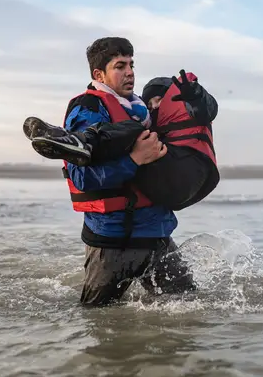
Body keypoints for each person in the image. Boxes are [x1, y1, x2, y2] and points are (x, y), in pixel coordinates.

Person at [22, 37, 196, 307]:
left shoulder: (144, 110)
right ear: (98, 74)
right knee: (96, 319)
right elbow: (84, 179)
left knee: (192, 311)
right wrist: (136, 159)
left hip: (157, 235)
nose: (130, 72)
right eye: (120, 66)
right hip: (112, 243)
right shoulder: (88, 108)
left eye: (131, 64)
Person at [23, 69, 220, 211]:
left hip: (186, 171)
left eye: (159, 100)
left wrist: (197, 95)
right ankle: (79, 143)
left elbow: (208, 108)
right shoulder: (153, 128)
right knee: (138, 132)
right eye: (149, 103)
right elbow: (84, 178)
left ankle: (83, 142)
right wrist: (133, 159)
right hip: (170, 193)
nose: (153, 107)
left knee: (136, 130)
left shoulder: (193, 106)